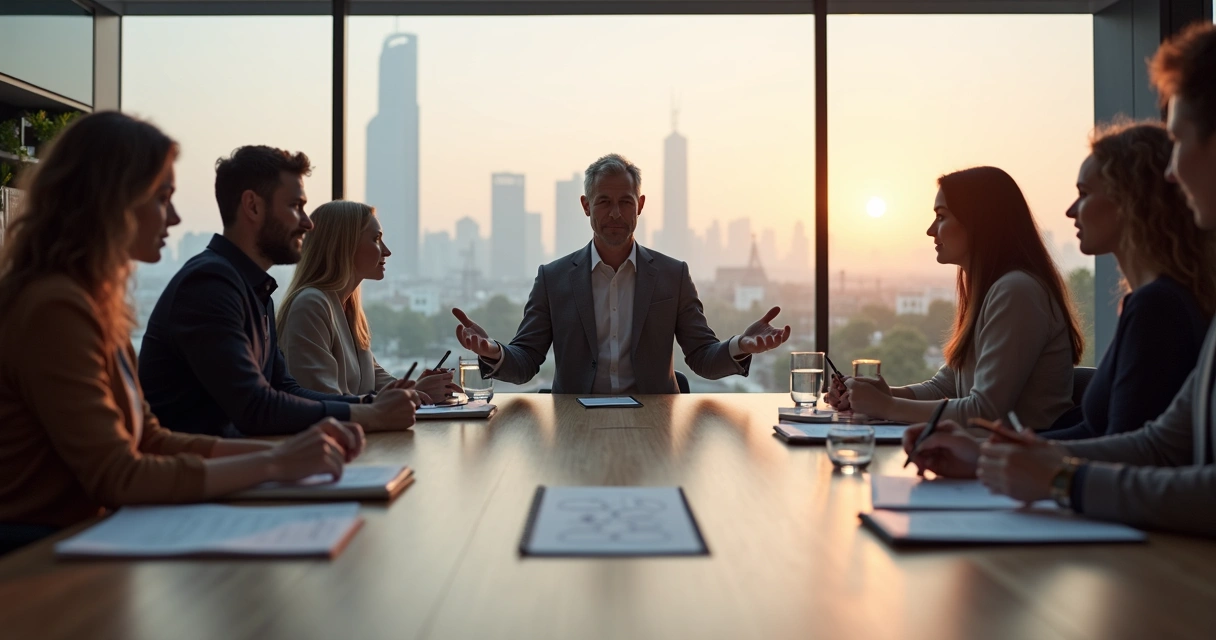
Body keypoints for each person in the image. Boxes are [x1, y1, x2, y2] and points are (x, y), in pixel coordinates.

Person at [905, 22, 1216, 536]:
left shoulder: (1155, 305)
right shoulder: (1160, 302)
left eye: (1179, 140)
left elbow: (1166, 461)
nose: (1171, 170)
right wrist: (990, 456)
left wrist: (1059, 480)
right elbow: (1162, 442)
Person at [0, 113, 364, 548]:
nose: (173, 217)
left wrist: (283, 455)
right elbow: (120, 474)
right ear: (109, 200)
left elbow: (149, 439)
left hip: (83, 539)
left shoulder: (93, 303)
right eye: (161, 198)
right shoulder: (54, 306)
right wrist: (274, 464)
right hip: (35, 556)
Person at [451, 153, 791, 394]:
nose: (615, 213)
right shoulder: (553, 279)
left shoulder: (673, 275)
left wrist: (740, 345)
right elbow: (525, 362)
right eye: (603, 202)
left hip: (656, 423)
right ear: (586, 206)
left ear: (640, 206)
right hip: (574, 424)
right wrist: (493, 351)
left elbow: (702, 357)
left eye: (625, 202)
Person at [138, 146, 418, 437]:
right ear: (253, 206)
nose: (307, 223)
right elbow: (256, 407)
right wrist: (369, 413)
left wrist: (368, 405)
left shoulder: (255, 291)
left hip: (238, 465)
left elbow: (286, 390)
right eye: (295, 206)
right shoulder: (209, 285)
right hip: (204, 474)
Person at [828, 166, 1083, 428]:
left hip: (1025, 460)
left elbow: (984, 410)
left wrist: (887, 406)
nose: (930, 230)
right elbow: (947, 386)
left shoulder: (1016, 292)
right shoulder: (992, 290)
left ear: (978, 223)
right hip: (992, 455)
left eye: (941, 217)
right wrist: (884, 395)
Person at [1044, 121, 1216, 440]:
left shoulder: (1158, 307)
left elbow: (1124, 448)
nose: (1071, 211)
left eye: (1084, 194)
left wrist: (992, 453)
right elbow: (1100, 433)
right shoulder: (1164, 299)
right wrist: (991, 447)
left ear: (1130, 200)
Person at [276, 200, 462, 398]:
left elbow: (375, 380)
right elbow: (323, 400)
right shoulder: (311, 305)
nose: (387, 251)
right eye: (376, 239)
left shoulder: (347, 308)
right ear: (344, 244)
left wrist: (416, 389)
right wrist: (412, 394)